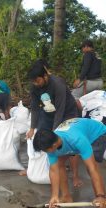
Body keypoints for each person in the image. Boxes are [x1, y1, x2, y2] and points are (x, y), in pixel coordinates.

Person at [33, 118, 106, 208]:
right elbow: (54, 170)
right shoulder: (51, 142)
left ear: (52, 146)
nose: (46, 153)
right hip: (74, 134)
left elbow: (93, 169)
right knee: (60, 163)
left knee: (91, 166)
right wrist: (54, 196)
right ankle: (66, 196)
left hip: (95, 134)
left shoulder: (77, 139)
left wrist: (100, 196)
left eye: (45, 151)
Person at [25, 59, 82, 187]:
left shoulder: (57, 84)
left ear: (45, 76)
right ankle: (38, 168)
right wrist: (32, 128)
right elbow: (34, 107)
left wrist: (55, 131)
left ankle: (75, 177)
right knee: (41, 139)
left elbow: (60, 109)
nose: (36, 83)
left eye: (38, 80)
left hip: (68, 113)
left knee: (71, 144)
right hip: (48, 113)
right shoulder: (34, 86)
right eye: (33, 81)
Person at [72, 40, 103, 109]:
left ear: (86, 46)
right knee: (92, 100)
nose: (82, 50)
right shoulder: (97, 55)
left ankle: (81, 113)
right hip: (100, 82)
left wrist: (79, 80)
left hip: (90, 83)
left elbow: (86, 67)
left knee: (73, 95)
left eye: (82, 48)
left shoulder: (88, 54)